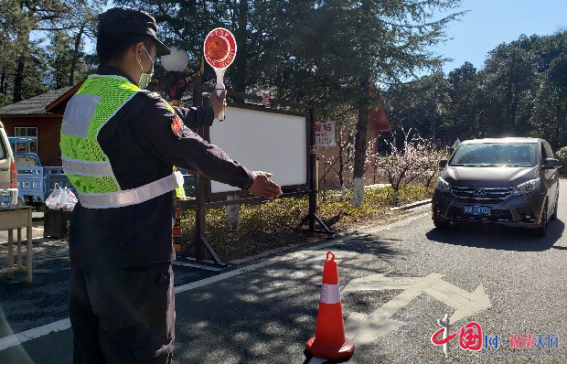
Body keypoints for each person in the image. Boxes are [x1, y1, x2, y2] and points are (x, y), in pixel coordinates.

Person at [62, 8, 282, 364]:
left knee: (91, 355)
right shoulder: (137, 104)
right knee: (142, 355)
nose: (152, 64)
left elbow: (167, 121)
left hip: (86, 258)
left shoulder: (82, 101)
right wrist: (248, 180)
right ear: (137, 50)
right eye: (151, 53)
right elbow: (194, 150)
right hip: (135, 263)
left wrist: (208, 112)